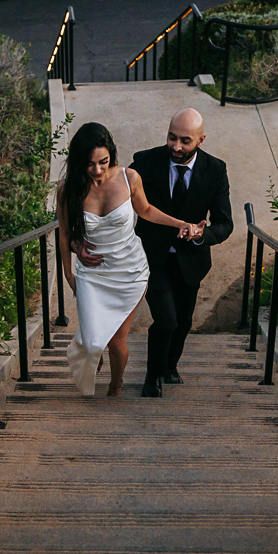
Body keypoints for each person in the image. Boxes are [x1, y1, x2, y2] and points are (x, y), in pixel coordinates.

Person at [56, 122, 201, 398]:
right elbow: (64, 233)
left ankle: (115, 386)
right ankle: (93, 353)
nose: (97, 170)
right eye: (89, 164)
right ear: (78, 161)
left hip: (129, 272)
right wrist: (68, 273)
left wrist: (180, 223)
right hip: (91, 273)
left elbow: (146, 210)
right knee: (90, 341)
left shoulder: (128, 178)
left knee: (115, 340)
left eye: (103, 162)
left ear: (111, 156)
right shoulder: (67, 189)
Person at [131, 108, 233, 398]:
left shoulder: (215, 170)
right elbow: (114, 191)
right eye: (171, 137)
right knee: (166, 320)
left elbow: (225, 224)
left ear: (201, 140)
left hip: (191, 260)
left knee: (184, 321)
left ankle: (169, 366)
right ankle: (152, 378)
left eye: (185, 141)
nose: (176, 146)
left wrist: (202, 233)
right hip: (152, 258)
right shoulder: (144, 161)